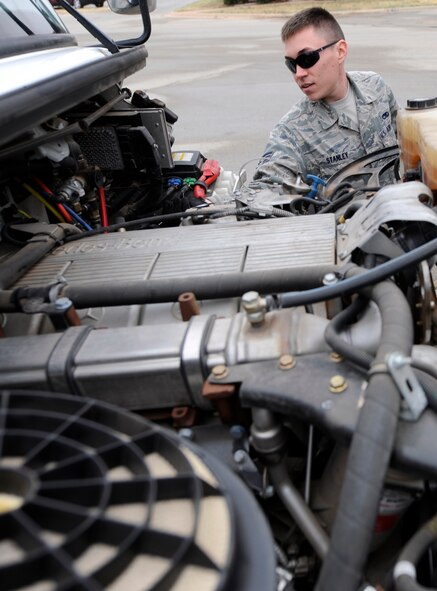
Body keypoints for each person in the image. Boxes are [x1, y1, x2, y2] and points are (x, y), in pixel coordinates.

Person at [253, 7, 398, 191]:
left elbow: (406, 141)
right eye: (291, 64)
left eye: (306, 58)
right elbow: (266, 185)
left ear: (340, 51)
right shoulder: (292, 131)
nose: (299, 74)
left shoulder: (376, 87)